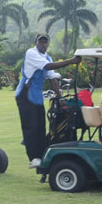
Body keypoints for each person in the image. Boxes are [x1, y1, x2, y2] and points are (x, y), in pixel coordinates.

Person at [14, 34, 82, 168]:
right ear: (36, 42)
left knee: (41, 126)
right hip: (25, 93)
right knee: (31, 126)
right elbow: (48, 67)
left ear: (48, 44)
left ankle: (41, 154)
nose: (43, 44)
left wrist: (60, 97)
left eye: (45, 42)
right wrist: (71, 61)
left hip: (36, 95)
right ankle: (33, 158)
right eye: (41, 42)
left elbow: (52, 79)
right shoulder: (31, 53)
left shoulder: (47, 56)